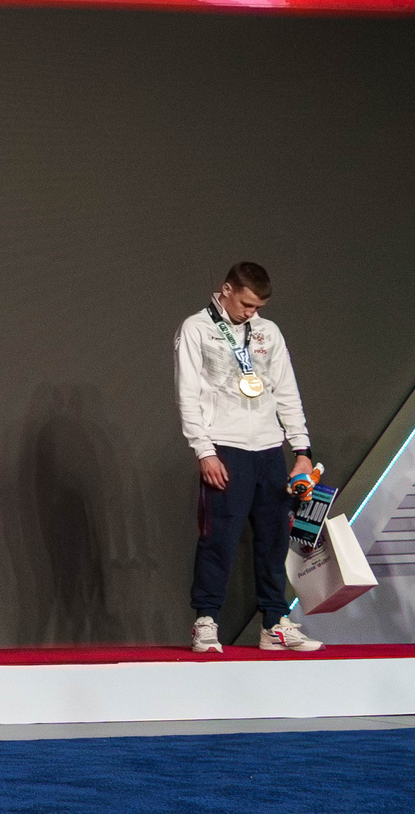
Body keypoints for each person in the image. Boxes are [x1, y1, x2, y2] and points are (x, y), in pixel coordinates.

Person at [174, 261, 320, 653]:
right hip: (225, 447)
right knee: (218, 538)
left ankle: (275, 623)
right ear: (226, 290)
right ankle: (206, 621)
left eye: (258, 307)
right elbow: (187, 394)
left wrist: (302, 451)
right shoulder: (197, 329)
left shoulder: (267, 332)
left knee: (273, 540)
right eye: (246, 304)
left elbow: (286, 391)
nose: (251, 313)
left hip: (270, 449)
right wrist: (204, 451)